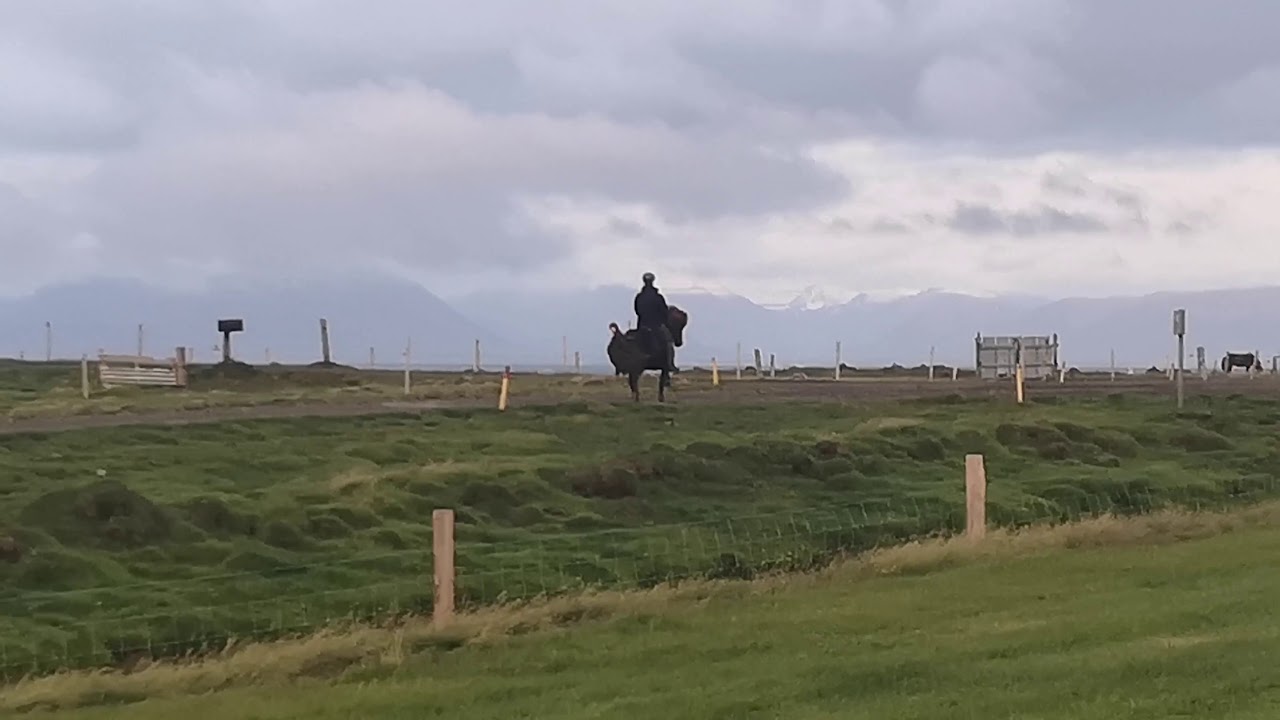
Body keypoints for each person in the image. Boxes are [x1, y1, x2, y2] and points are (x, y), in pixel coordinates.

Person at [634, 272, 676, 372]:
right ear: (653, 281)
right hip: (656, 326)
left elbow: (637, 310)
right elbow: (664, 312)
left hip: (642, 325)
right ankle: (670, 364)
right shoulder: (658, 297)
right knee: (669, 342)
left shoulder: (639, 297)